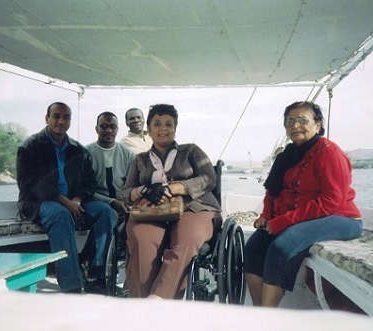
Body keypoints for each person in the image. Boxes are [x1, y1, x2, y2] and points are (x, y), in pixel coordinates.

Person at [244, 101, 363, 307]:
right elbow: (273, 192)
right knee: (254, 247)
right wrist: (266, 215)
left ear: (317, 125)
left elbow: (332, 201)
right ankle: (259, 313)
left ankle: (265, 318)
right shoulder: (287, 155)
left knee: (281, 247)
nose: (295, 125)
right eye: (290, 121)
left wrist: (284, 221)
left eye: (302, 120)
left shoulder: (329, 152)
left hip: (342, 218)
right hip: (298, 219)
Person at [121, 104, 220, 299]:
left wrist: (173, 188)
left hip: (195, 207)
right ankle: (141, 303)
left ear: (175, 128)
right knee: (142, 239)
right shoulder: (140, 159)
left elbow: (209, 178)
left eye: (169, 124)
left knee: (188, 237)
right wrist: (145, 190)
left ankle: (158, 298)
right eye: (157, 123)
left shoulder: (190, 151)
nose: (163, 128)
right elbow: (125, 192)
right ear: (148, 129)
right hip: (153, 211)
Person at [16, 102, 115, 294]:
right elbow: (29, 184)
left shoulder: (78, 150)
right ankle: (72, 286)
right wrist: (64, 201)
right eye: (56, 116)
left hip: (73, 201)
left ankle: (95, 274)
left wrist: (76, 200)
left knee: (106, 212)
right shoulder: (30, 146)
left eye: (66, 117)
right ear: (47, 118)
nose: (61, 121)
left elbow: (88, 183)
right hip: (38, 202)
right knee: (61, 215)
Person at [82, 111, 135, 290]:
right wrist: (112, 202)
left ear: (118, 129)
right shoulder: (86, 153)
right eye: (104, 126)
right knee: (107, 213)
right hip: (95, 202)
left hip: (124, 203)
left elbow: (133, 184)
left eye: (112, 126)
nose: (108, 130)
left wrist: (124, 201)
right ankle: (97, 274)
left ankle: (134, 280)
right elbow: (85, 190)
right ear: (96, 128)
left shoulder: (128, 154)